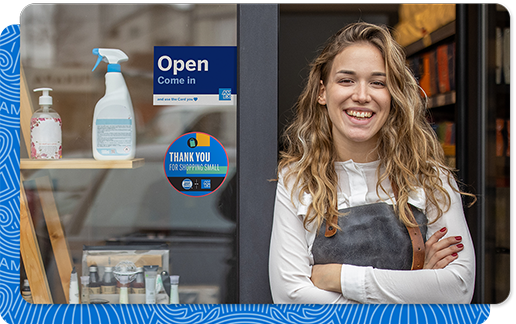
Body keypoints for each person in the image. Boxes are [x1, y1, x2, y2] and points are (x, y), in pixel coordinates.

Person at [269, 22, 476, 304]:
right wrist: (417, 287)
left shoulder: (432, 178)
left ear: (393, 95)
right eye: (346, 80)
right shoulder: (295, 180)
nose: (362, 95)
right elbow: (291, 297)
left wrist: (336, 277)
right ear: (322, 92)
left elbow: (458, 289)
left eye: (378, 82)